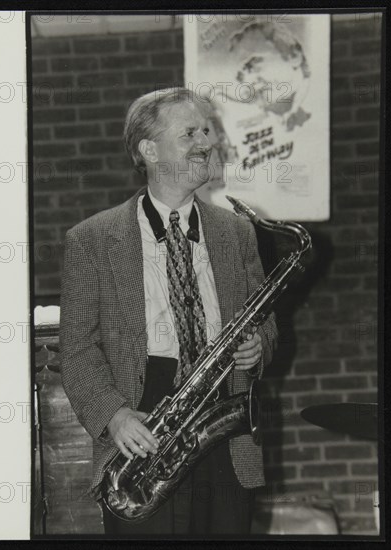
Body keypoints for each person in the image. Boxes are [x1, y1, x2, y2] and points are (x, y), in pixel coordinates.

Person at [60, 87, 277, 536]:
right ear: (149, 149)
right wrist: (114, 415)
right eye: (190, 133)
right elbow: (77, 350)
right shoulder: (91, 240)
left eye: (207, 131)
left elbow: (265, 321)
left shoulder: (238, 232)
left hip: (224, 423)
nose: (206, 142)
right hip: (142, 429)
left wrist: (260, 346)